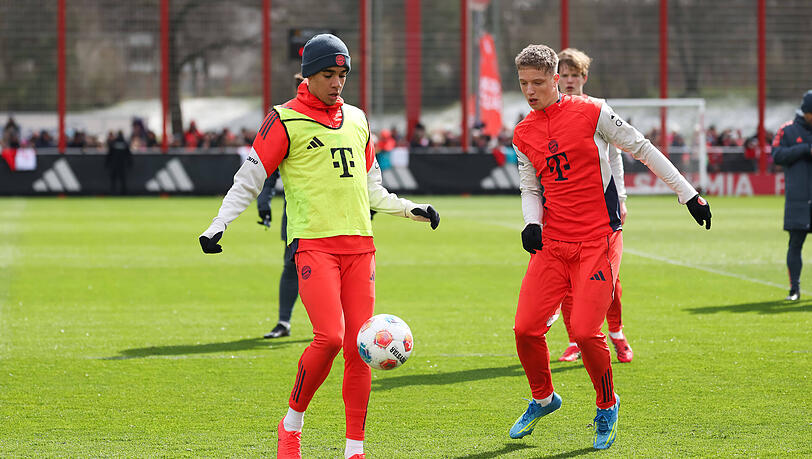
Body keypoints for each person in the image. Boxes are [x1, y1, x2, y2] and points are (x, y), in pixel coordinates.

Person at [198, 34, 440, 459]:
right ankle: (292, 425)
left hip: (361, 247)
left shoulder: (359, 119)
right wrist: (219, 224)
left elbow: (374, 190)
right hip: (314, 247)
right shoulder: (283, 119)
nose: (337, 82)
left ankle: (354, 449)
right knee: (329, 338)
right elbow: (249, 179)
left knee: (358, 350)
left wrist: (411, 209)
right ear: (307, 75)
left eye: (343, 74)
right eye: (329, 74)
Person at [509, 44, 711, 450]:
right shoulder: (522, 132)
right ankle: (544, 398)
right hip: (552, 244)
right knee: (525, 330)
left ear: (556, 79)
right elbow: (530, 185)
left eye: (537, 82)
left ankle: (607, 404)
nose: (530, 91)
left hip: (598, 240)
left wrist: (688, 194)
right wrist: (532, 222)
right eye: (523, 83)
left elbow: (642, 148)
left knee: (584, 332)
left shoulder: (592, 111)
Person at [555, 48, 633, 363]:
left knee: (608, 280)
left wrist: (622, 198)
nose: (570, 81)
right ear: (556, 78)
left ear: (584, 78)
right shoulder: (548, 113)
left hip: (600, 208)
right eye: (566, 75)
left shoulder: (597, 112)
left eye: (576, 75)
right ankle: (575, 340)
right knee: (567, 282)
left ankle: (616, 332)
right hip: (562, 211)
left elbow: (615, 158)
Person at [258, 73, 306, 340]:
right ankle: (284, 322)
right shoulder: (286, 121)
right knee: (291, 266)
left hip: (337, 215)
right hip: (297, 213)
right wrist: (264, 202)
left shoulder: (345, 119)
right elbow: (269, 168)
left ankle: (337, 327)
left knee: (337, 270)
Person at [771, 90, 812, 301]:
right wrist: (805, 149)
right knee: (795, 244)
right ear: (806, 112)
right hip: (798, 199)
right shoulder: (787, 130)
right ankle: (794, 289)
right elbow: (776, 155)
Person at [105, 130, 132, 195]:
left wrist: (107, 163)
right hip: (122, 165)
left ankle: (113, 192)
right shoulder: (124, 143)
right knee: (122, 180)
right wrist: (130, 163)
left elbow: (109, 154)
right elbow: (128, 155)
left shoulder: (114, 143)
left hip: (115, 164)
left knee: (114, 179)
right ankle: (123, 193)